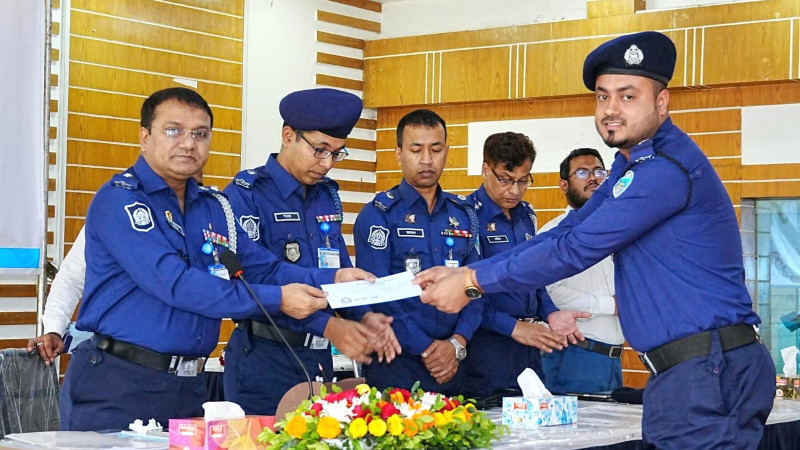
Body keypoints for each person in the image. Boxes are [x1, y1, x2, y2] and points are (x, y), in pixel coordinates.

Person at [415, 31, 775, 449]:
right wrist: (465, 274)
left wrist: (471, 282)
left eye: (628, 96)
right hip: (690, 372)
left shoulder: (664, 171)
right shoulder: (630, 165)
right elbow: (568, 230)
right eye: (603, 96)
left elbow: (576, 249)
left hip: (708, 371)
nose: (611, 109)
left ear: (662, 102)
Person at [59, 87, 373, 431]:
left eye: (200, 134)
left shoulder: (212, 208)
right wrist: (279, 299)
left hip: (189, 388)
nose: (188, 143)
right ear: (144, 137)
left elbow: (262, 267)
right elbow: (176, 283)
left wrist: (332, 278)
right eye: (173, 130)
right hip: (119, 383)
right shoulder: (120, 201)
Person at [223, 88, 400, 415]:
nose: (327, 163)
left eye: (336, 153)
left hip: (319, 359)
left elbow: (339, 270)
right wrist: (328, 326)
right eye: (320, 150)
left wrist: (364, 317)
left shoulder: (325, 196)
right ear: (288, 136)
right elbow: (255, 279)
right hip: (265, 356)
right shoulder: (246, 194)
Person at [353, 109, 483, 396]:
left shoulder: (464, 215)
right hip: (396, 360)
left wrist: (457, 343)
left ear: (446, 152)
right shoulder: (378, 215)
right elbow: (379, 295)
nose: (427, 159)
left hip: (454, 362)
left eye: (435, 149)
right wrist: (427, 348)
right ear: (398, 154)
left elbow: (476, 286)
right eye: (416, 150)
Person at [461, 132, 570, 399]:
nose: (514, 190)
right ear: (485, 170)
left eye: (523, 181)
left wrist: (551, 312)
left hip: (530, 344)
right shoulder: (465, 215)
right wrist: (514, 328)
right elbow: (466, 290)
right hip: (487, 344)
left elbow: (534, 274)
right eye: (506, 180)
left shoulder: (526, 214)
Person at [539, 148, 624, 394]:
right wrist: (610, 305)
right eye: (582, 173)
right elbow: (549, 293)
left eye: (599, 172)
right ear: (564, 185)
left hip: (612, 357)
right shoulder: (553, 234)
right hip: (575, 355)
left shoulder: (617, 229)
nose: (593, 178)